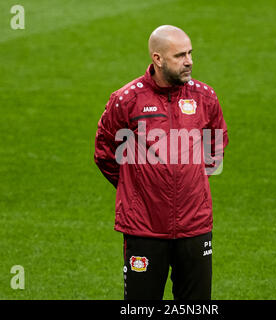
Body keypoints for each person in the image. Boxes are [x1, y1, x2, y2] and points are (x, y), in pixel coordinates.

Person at [94, 25, 229, 300]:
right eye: (180, 55)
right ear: (157, 59)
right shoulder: (126, 101)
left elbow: (216, 146)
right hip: (144, 228)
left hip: (195, 226)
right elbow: (106, 153)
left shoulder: (205, 98)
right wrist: (136, 188)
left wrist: (189, 181)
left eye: (190, 53)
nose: (189, 61)